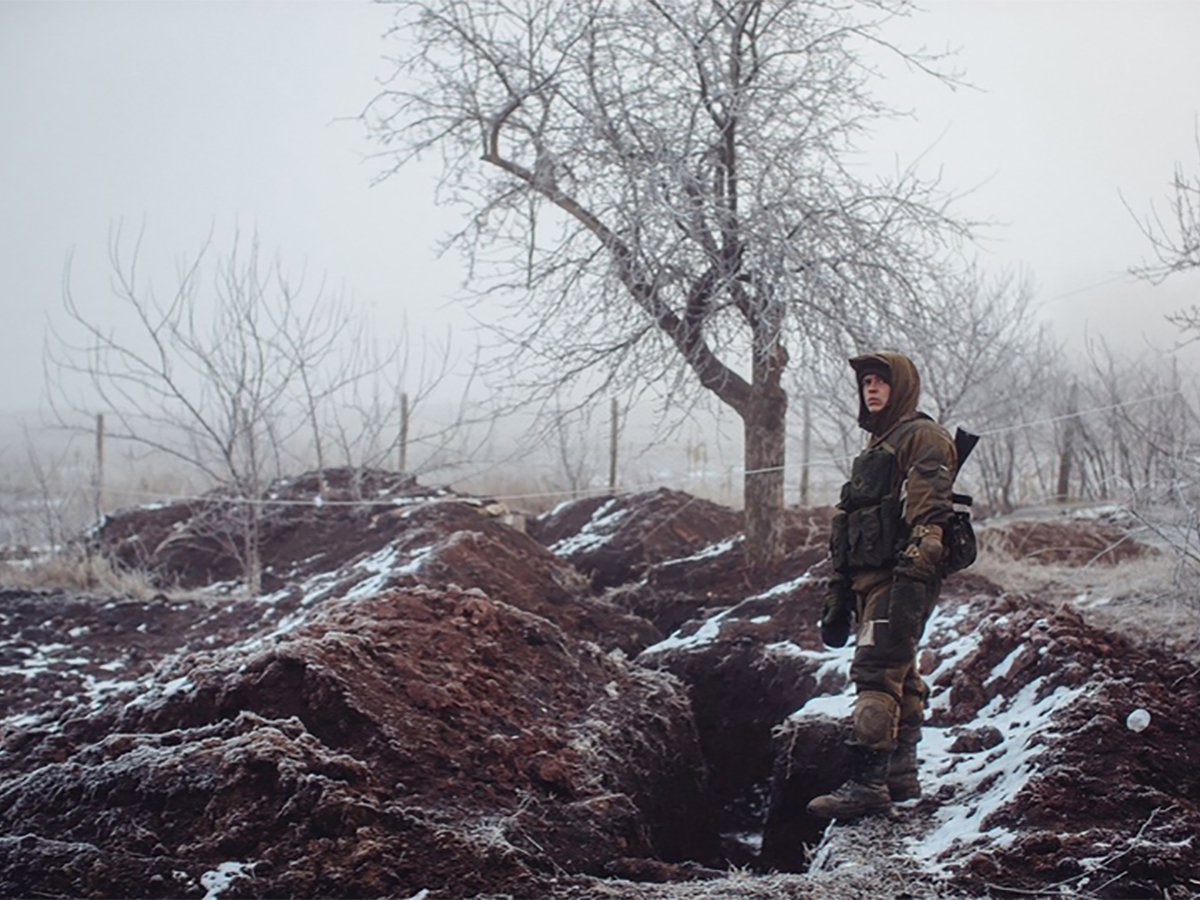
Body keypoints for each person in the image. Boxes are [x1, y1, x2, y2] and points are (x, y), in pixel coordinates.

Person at [807, 351, 957, 820]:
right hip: (870, 579)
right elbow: (850, 523)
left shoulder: (923, 437)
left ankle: (867, 783)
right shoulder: (877, 446)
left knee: (874, 671)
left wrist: (912, 581)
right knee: (900, 670)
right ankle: (899, 773)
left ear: (903, 387)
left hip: (899, 578)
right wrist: (838, 591)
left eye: (881, 382)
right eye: (866, 382)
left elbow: (930, 519)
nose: (871, 389)